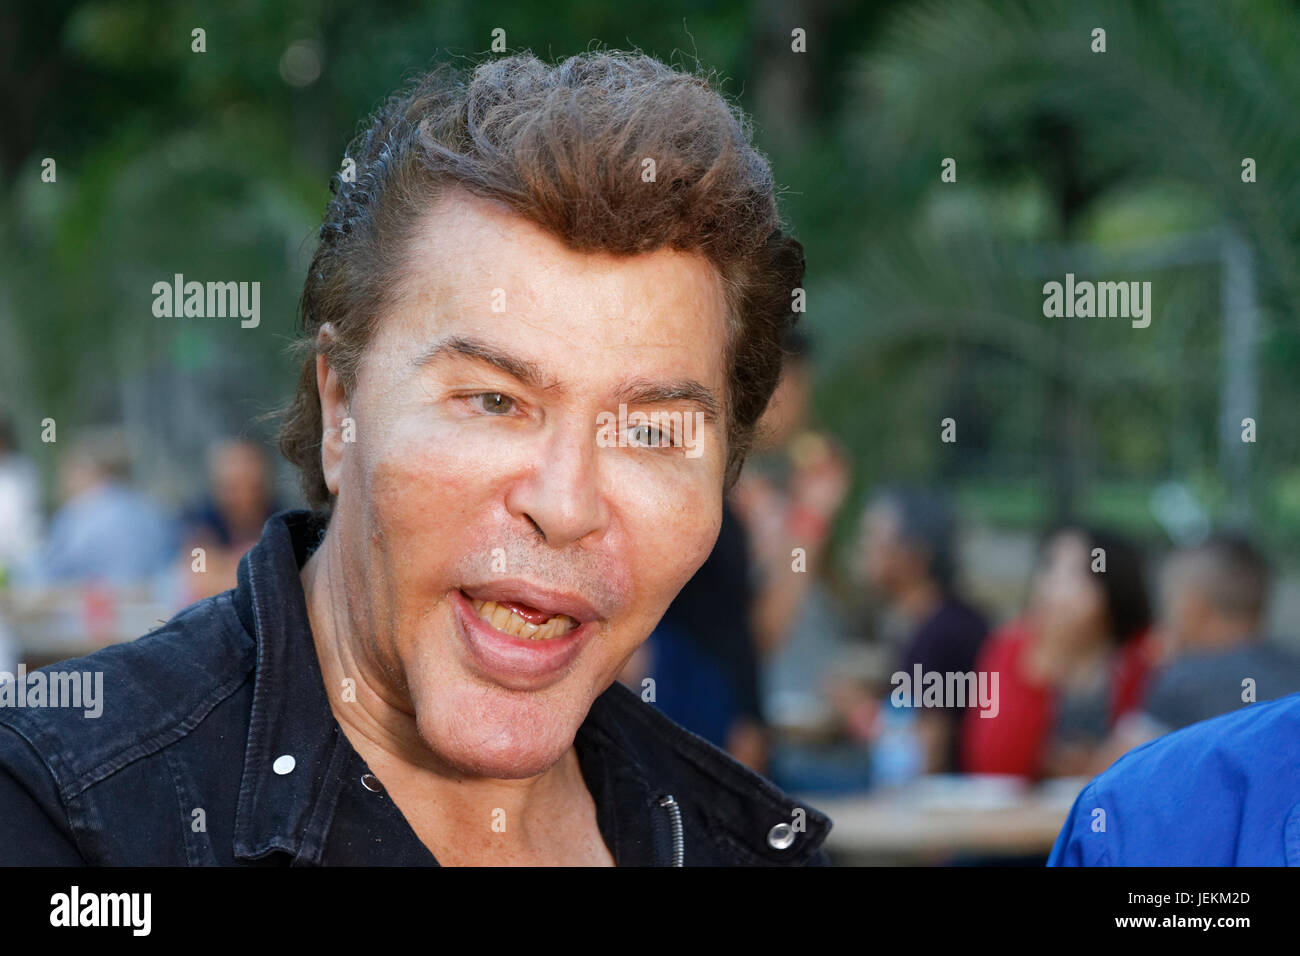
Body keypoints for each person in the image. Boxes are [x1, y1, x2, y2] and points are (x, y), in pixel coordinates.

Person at [0, 53, 831, 866]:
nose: (566, 502)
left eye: (650, 433)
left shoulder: (742, 844)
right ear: (339, 410)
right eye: (494, 401)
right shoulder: (64, 819)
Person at [961, 525, 1153, 780]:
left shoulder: (1142, 659)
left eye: (1072, 575)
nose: (1049, 586)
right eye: (1049, 568)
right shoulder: (1011, 650)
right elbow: (992, 767)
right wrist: (1041, 666)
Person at [1104, 532, 1300, 753]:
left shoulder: (1184, 680)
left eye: (1169, 601)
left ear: (1193, 608)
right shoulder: (1293, 669)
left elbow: (1117, 766)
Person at [854, 488, 989, 775]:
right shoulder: (942, 620)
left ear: (913, 555)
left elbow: (925, 758)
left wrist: (859, 716)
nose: (862, 548)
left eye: (872, 539)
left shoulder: (939, 635)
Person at [38, 429, 177, 585]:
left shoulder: (75, 515)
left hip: (93, 603)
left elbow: (53, 572)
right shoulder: (151, 509)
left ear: (87, 471)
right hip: (151, 603)